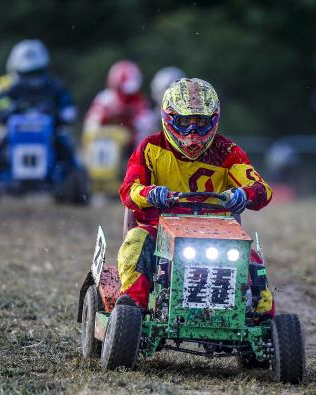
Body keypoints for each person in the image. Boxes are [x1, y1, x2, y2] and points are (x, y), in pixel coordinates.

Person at [116, 78, 274, 317]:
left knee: (251, 260)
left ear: (213, 120)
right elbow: (129, 189)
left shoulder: (227, 153)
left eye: (200, 123)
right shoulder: (151, 147)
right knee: (136, 241)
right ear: (169, 119)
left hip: (217, 234)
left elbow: (263, 189)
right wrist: (151, 193)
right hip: (160, 232)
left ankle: (259, 320)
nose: (192, 132)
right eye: (184, 122)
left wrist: (244, 194)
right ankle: (132, 307)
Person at [0, 39, 78, 169]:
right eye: (28, 74)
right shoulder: (3, 86)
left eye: (36, 72)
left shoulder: (55, 86)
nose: (34, 79)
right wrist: (7, 111)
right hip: (13, 130)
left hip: (48, 131)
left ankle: (70, 171)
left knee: (64, 137)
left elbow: (68, 108)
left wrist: (60, 114)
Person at [84, 60, 154, 148]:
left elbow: (147, 125)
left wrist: (130, 122)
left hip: (130, 147)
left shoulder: (139, 100)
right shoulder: (105, 99)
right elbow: (92, 124)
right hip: (106, 144)